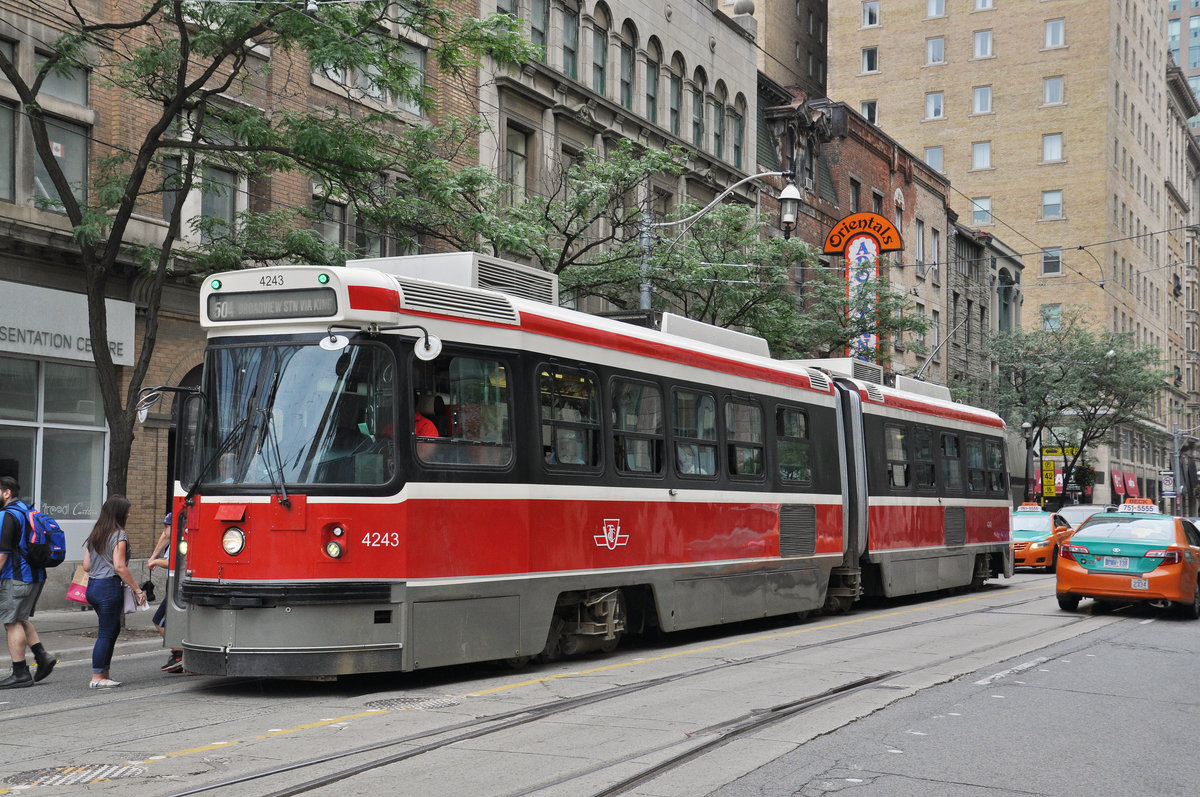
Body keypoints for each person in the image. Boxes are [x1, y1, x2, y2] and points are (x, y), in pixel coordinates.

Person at [83, 495, 146, 688]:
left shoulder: (96, 533)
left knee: (112, 629)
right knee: (106, 632)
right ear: (119, 513)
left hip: (93, 586)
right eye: (127, 510)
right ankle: (97, 677)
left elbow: (86, 566)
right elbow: (119, 566)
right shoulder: (119, 535)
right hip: (109, 587)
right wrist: (137, 589)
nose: (130, 513)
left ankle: (104, 672)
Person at [0, 476, 56, 688]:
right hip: (35, 576)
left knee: (11, 622)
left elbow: (2, 553)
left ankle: (20, 672)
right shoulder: (27, 510)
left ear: (7, 493)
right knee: (21, 617)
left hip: (15, 577)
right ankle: (42, 656)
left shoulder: (6, 515)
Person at [148, 512, 183, 673]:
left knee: (159, 621)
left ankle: (180, 653)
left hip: (179, 587)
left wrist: (155, 560)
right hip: (177, 586)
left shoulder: (180, 541)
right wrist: (154, 556)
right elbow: (164, 537)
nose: (163, 530)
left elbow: (171, 562)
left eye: (165, 526)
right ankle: (179, 653)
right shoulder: (176, 537)